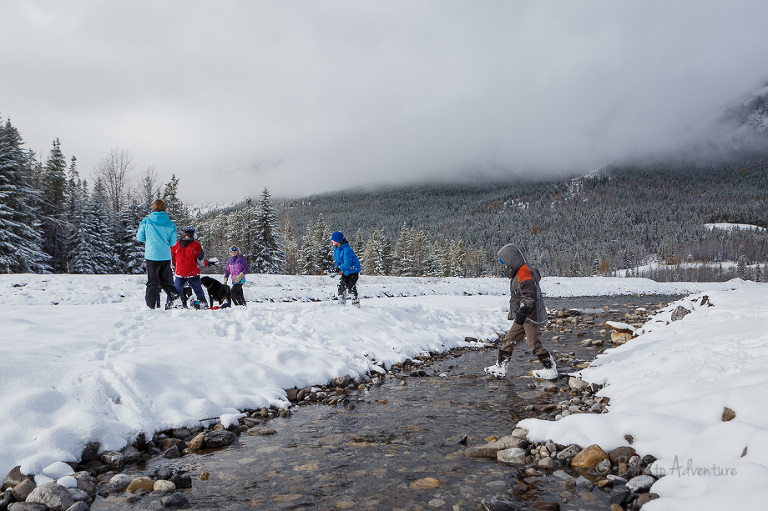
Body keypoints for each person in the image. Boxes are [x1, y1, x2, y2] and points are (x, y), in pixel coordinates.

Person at [484, 243, 558, 380]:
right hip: (523, 315)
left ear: (512, 260)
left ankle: (550, 369)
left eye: (505, 263)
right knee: (509, 339)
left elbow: (530, 296)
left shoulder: (524, 273)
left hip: (529, 315)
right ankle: (501, 367)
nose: (505, 266)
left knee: (533, 344)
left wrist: (522, 312)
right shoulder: (520, 271)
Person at [136, 199, 179, 310]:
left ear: (153, 208)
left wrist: (150, 239)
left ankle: (150, 306)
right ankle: (174, 296)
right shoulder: (170, 224)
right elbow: (173, 242)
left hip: (152, 255)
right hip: (165, 255)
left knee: (152, 282)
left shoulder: (147, 221)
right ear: (164, 209)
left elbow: (140, 237)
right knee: (164, 280)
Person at [171, 226, 214, 309]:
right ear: (193, 234)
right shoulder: (196, 245)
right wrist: (207, 263)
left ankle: (171, 303)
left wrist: (174, 267)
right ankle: (203, 303)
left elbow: (172, 258)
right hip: (193, 272)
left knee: (176, 290)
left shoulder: (176, 244)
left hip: (180, 271)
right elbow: (200, 262)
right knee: (198, 290)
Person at [331, 231, 361, 307]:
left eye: (333, 240)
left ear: (338, 241)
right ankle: (341, 304)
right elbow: (338, 261)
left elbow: (347, 264)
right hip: (346, 271)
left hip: (353, 270)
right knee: (341, 285)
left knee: (351, 286)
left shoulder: (347, 250)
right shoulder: (336, 249)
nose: (332, 241)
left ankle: (356, 304)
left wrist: (339, 269)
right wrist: (335, 269)